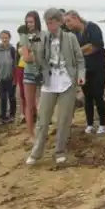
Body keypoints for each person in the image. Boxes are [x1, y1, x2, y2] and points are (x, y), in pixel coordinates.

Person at [26, 8, 85, 165]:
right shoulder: (43, 37)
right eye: (47, 23)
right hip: (49, 81)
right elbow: (37, 60)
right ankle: (36, 153)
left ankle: (60, 151)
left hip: (67, 81)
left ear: (59, 22)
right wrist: (34, 47)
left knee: (64, 119)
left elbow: (80, 59)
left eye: (52, 23)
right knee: (43, 119)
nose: (49, 26)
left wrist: (81, 75)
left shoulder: (70, 38)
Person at [64, 10, 105, 135]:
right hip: (83, 69)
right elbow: (79, 50)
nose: (67, 24)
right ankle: (89, 124)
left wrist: (79, 51)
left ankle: (102, 125)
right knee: (87, 97)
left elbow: (95, 46)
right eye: (65, 22)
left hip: (98, 67)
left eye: (68, 21)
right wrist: (83, 50)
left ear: (76, 17)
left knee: (98, 95)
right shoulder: (74, 34)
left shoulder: (92, 27)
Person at [19, 11, 44, 139]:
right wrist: (38, 55)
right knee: (29, 105)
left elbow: (48, 54)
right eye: (27, 22)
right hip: (29, 73)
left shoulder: (43, 35)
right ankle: (31, 134)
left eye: (31, 22)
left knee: (42, 104)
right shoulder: (24, 37)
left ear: (37, 22)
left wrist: (34, 54)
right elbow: (26, 58)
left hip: (42, 72)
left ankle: (41, 130)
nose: (29, 24)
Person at [0, 30, 17, 124]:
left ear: (9, 38)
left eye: (6, 38)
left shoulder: (13, 50)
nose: (4, 39)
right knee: (3, 98)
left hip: (11, 78)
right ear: (0, 38)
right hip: (0, 78)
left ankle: (12, 115)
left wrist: (15, 78)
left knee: (12, 97)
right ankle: (3, 116)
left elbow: (16, 65)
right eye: (2, 38)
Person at [14, 25, 27, 123]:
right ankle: (23, 113)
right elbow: (16, 59)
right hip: (20, 68)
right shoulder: (19, 43)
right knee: (22, 92)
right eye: (19, 34)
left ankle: (32, 112)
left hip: (29, 69)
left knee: (30, 93)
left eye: (22, 34)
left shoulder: (32, 41)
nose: (21, 36)